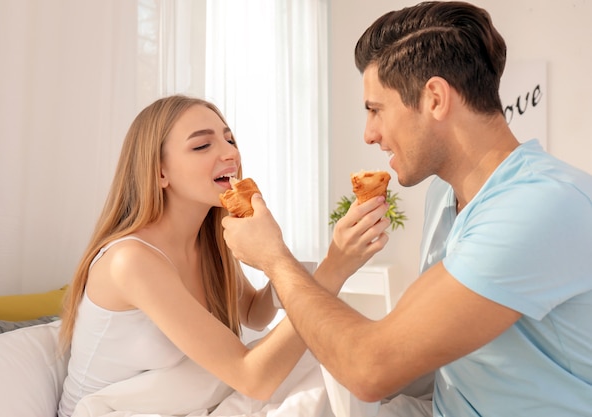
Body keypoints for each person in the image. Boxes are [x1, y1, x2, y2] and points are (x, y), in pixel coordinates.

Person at [221, 2, 592, 416]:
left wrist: (274, 258)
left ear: (434, 98)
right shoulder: (443, 197)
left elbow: (370, 367)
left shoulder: (539, 206)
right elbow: (430, 353)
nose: (369, 134)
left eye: (376, 110)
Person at [55, 94, 389, 417]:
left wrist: (276, 254)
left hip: (179, 402)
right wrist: (333, 269)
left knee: (329, 368)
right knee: (321, 368)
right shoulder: (131, 261)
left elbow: (253, 313)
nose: (230, 153)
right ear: (159, 173)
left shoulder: (210, 240)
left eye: (230, 140)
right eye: (202, 145)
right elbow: (252, 377)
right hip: (113, 411)